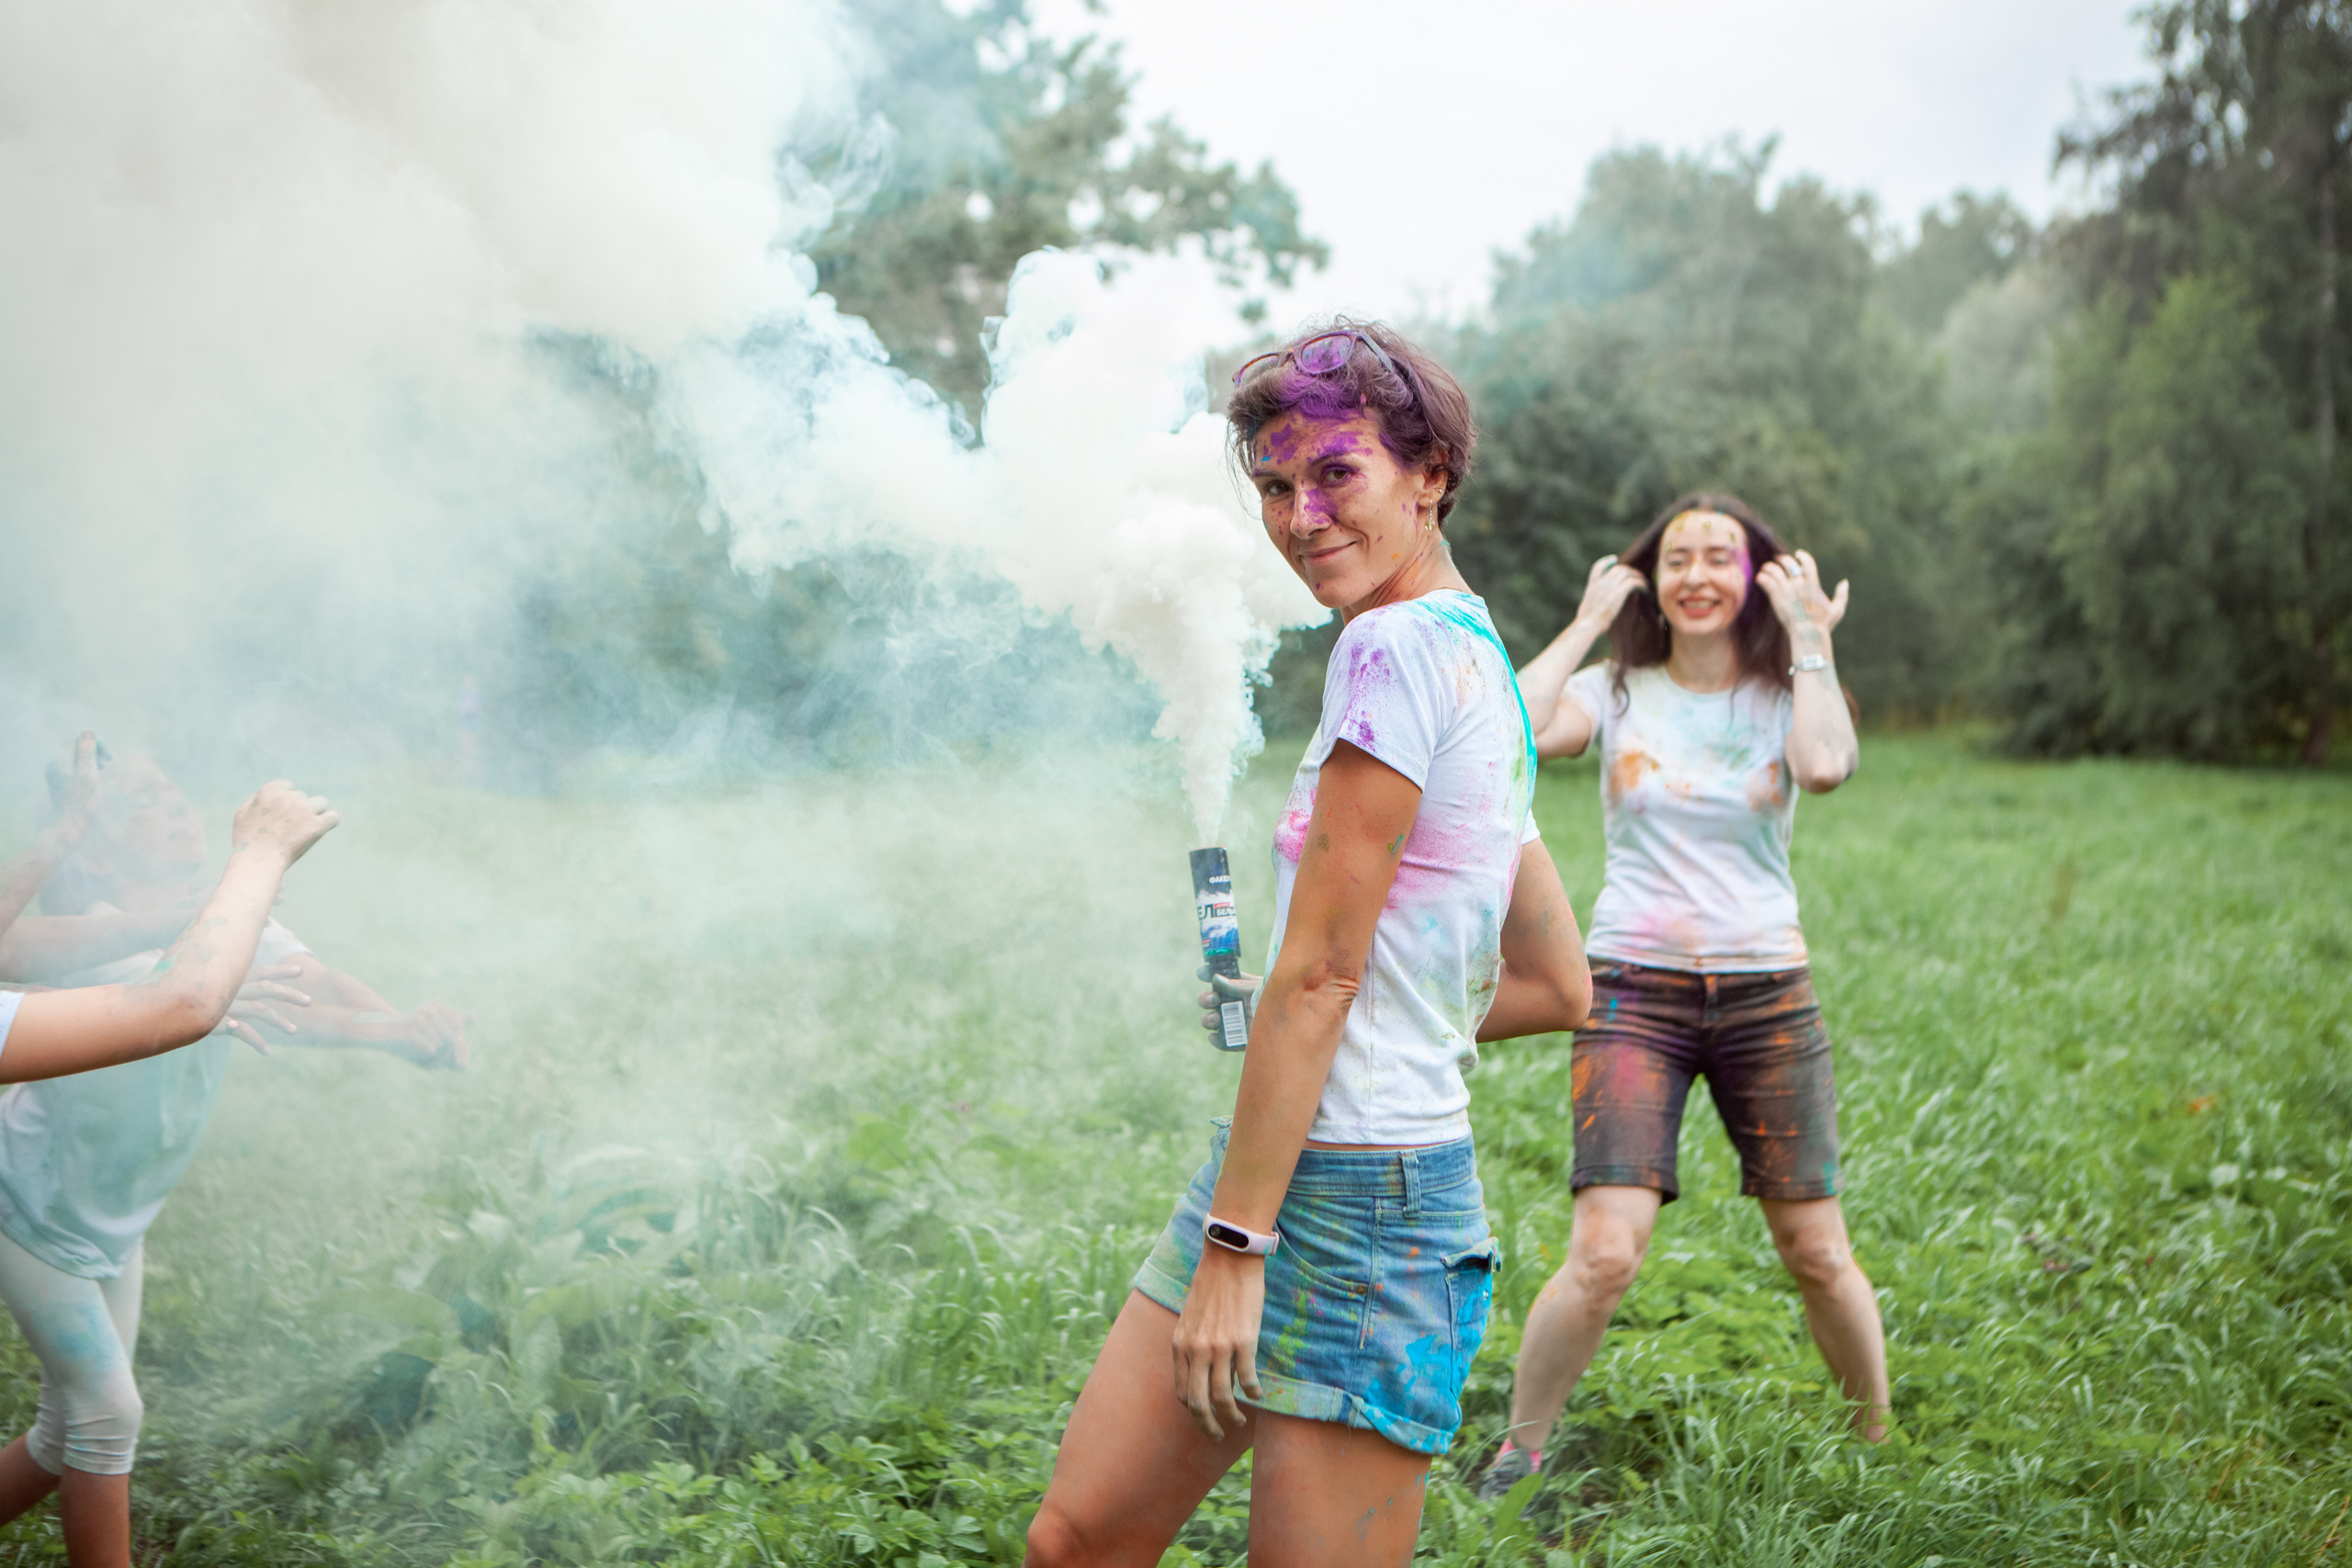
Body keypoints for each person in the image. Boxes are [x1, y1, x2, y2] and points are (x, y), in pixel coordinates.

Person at [1023, 321, 1591, 1568]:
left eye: (1336, 473)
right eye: (1275, 485)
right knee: (1075, 1538)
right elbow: (1556, 979)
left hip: (1363, 1209)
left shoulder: (1390, 650)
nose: (1299, 514)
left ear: (1428, 472)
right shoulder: (1479, 654)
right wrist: (1344, 1009)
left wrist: (1240, 1247)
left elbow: (1329, 971)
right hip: (1281, 1167)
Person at [1476, 493, 1886, 1501]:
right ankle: (1518, 1453)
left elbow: (1827, 766)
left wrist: (1809, 642)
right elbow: (1507, 736)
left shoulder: (1789, 692)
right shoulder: (1615, 691)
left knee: (1817, 1251)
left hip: (1765, 995)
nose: (1697, 574)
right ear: (1649, 580)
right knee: (1605, 1251)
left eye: (1720, 557)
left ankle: (1875, 1443)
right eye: (1676, 559)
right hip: (1630, 994)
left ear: (1755, 578)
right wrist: (1583, 623)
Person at [0, 745, 464, 1568]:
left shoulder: (225, 922)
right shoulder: (92, 930)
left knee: (62, 1431)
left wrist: (396, 1030)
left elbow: (311, 988)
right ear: (101, 844)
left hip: (114, 1217)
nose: (178, 808)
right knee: (109, 1416)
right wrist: (71, 838)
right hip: (23, 1207)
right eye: (146, 802)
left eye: (173, 789)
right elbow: (165, 987)